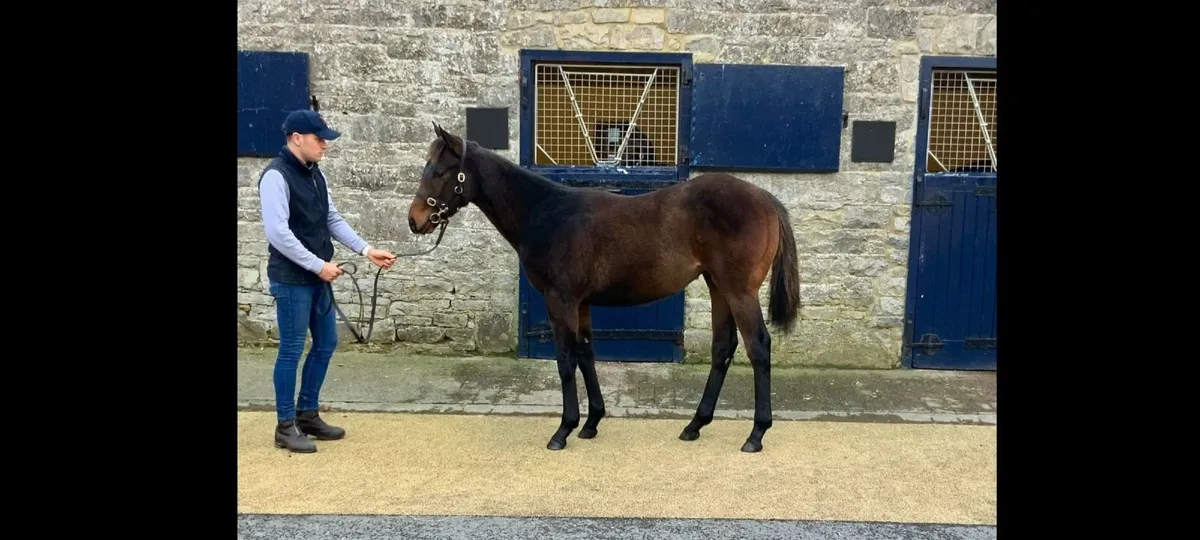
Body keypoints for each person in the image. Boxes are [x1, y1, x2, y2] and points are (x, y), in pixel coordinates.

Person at [257, 109, 397, 453]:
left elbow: (331, 218)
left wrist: (366, 250)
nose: (325, 145)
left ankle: (307, 414)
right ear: (296, 139)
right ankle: (285, 425)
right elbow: (278, 233)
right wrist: (318, 265)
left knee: (326, 343)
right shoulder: (275, 177)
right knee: (291, 350)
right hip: (292, 279)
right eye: (319, 139)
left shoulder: (315, 174)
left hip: (319, 278)